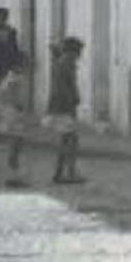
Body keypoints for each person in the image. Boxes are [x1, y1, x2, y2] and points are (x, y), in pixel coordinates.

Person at [47, 36, 86, 185]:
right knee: (70, 140)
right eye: (79, 51)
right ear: (73, 51)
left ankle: (61, 172)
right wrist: (73, 99)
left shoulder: (63, 62)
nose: (80, 54)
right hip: (65, 106)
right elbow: (65, 86)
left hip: (62, 106)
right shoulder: (67, 63)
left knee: (67, 140)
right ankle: (68, 173)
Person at [0, 52, 32, 188]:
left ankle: (14, 174)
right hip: (13, 114)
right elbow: (12, 97)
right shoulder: (14, 79)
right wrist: (19, 107)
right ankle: (12, 176)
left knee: (16, 145)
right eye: (25, 63)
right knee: (15, 146)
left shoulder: (10, 78)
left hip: (12, 113)